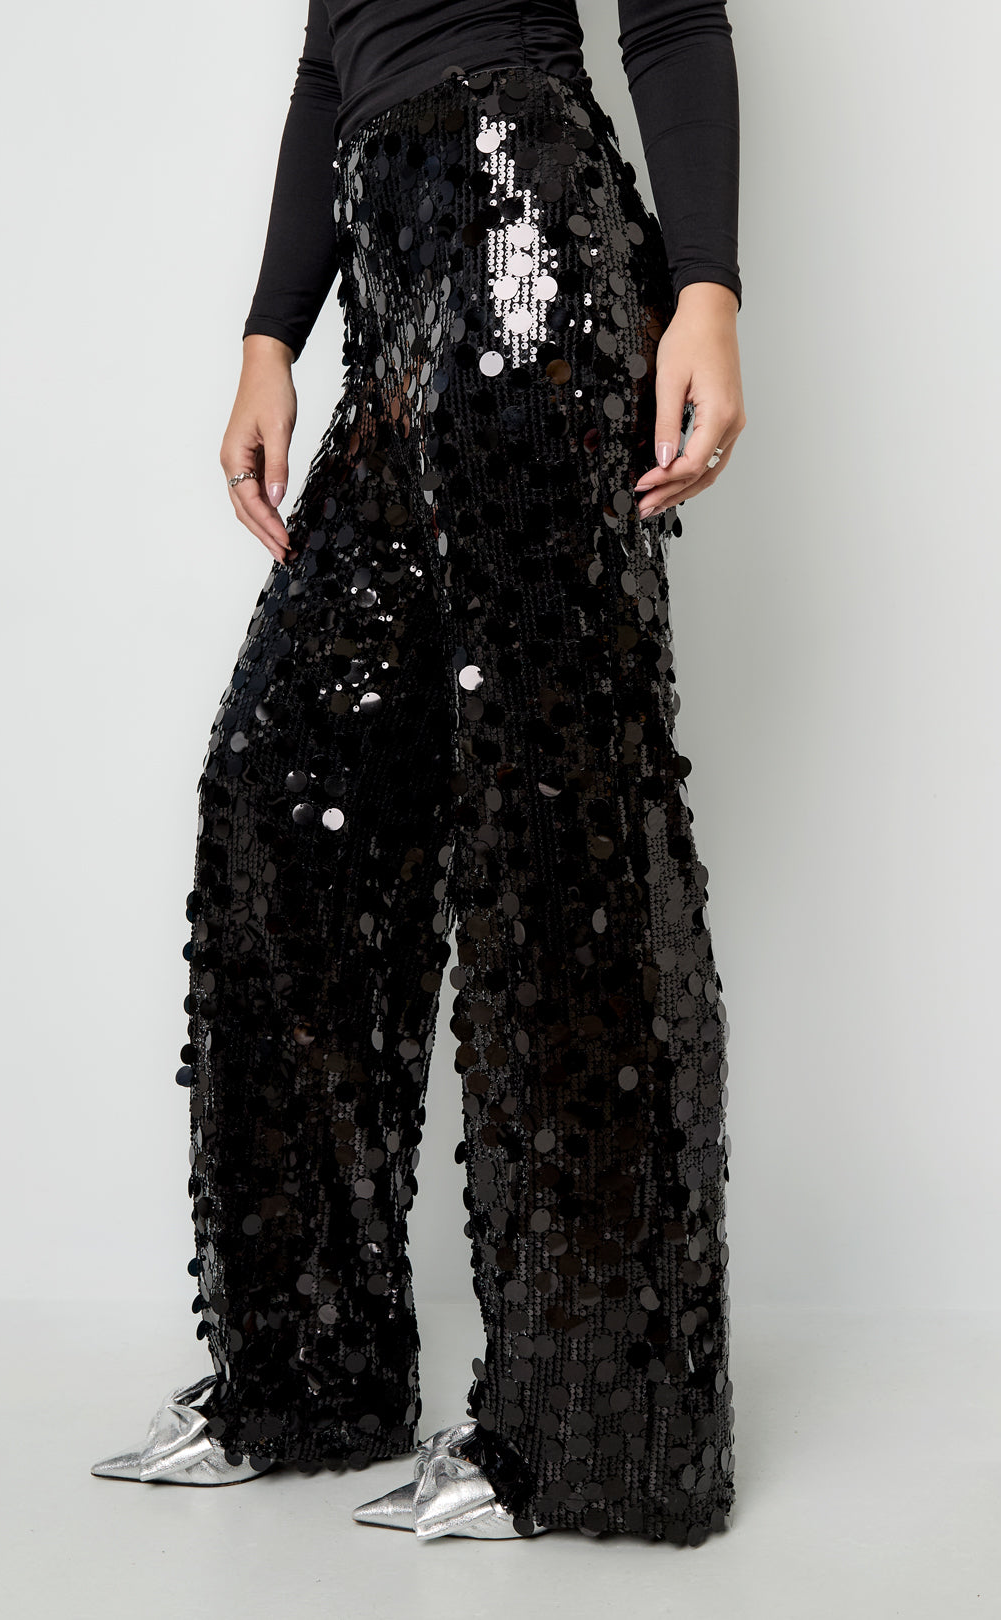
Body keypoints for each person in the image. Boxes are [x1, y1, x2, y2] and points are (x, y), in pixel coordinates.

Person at [91, 0, 745, 1548]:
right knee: (284, 790)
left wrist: (709, 296)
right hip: (394, 286)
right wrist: (271, 335)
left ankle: (595, 1434)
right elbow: (334, 56)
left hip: (524, 241)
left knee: (554, 827)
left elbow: (672, 19)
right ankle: (306, 1372)